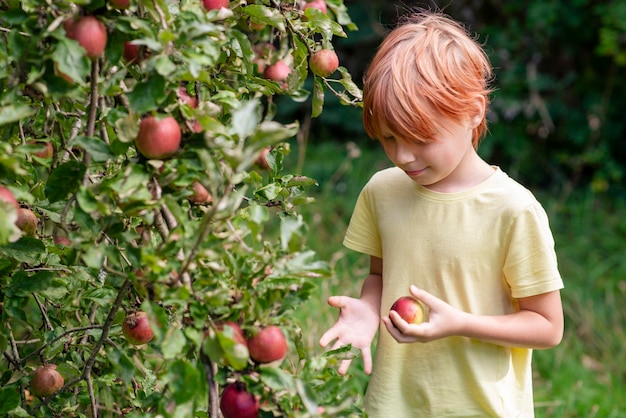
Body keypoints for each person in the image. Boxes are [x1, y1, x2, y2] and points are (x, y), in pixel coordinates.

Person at [319, 10, 564, 417]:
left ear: (473, 112)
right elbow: (380, 276)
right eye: (389, 138)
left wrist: (460, 323)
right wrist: (366, 307)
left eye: (420, 138)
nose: (402, 156)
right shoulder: (383, 191)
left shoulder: (513, 210)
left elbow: (546, 326)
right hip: (394, 405)